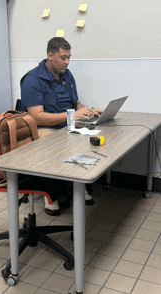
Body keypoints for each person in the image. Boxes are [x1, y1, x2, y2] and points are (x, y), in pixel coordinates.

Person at [20, 37, 103, 215]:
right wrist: (72, 115)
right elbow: (36, 117)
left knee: (91, 140)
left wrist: (88, 111)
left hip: (68, 123)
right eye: (63, 57)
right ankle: (51, 195)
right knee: (56, 146)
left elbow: (76, 103)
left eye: (69, 57)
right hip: (45, 128)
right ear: (50, 55)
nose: (67, 62)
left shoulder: (67, 74)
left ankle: (80, 186)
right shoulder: (32, 79)